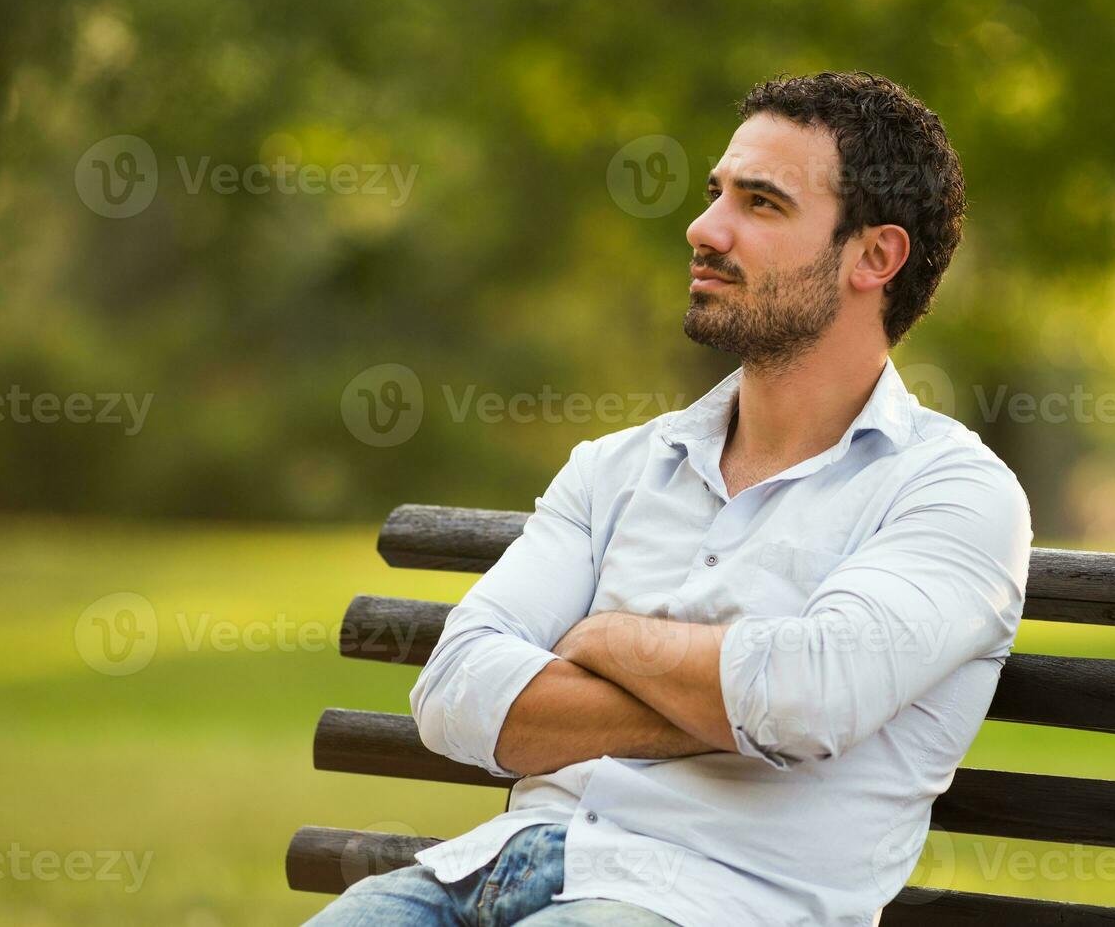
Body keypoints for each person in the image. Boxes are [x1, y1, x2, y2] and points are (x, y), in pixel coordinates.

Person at [307, 71, 1031, 927]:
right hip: (478, 876)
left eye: (760, 204)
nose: (703, 228)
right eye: (715, 193)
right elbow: (455, 694)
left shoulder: (952, 493)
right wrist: (725, 706)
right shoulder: (615, 468)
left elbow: (808, 699)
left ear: (874, 256)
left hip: (702, 905)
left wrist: (602, 638)